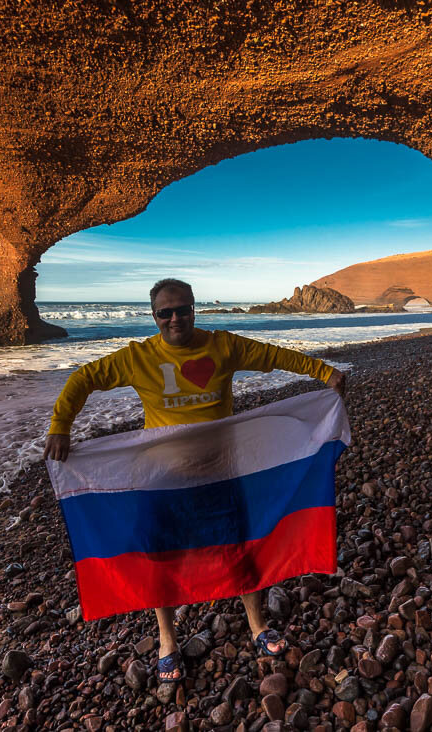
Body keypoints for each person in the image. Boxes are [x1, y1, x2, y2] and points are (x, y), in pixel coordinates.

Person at [44, 278, 346, 682]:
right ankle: (167, 641)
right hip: (161, 481)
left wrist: (323, 371)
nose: (174, 319)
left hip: (220, 472)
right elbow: (83, 379)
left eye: (182, 309)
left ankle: (257, 626)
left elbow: (274, 355)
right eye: (164, 312)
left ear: (193, 309)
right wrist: (60, 426)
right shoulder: (138, 357)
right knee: (161, 557)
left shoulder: (222, 346)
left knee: (239, 545)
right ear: (153, 316)